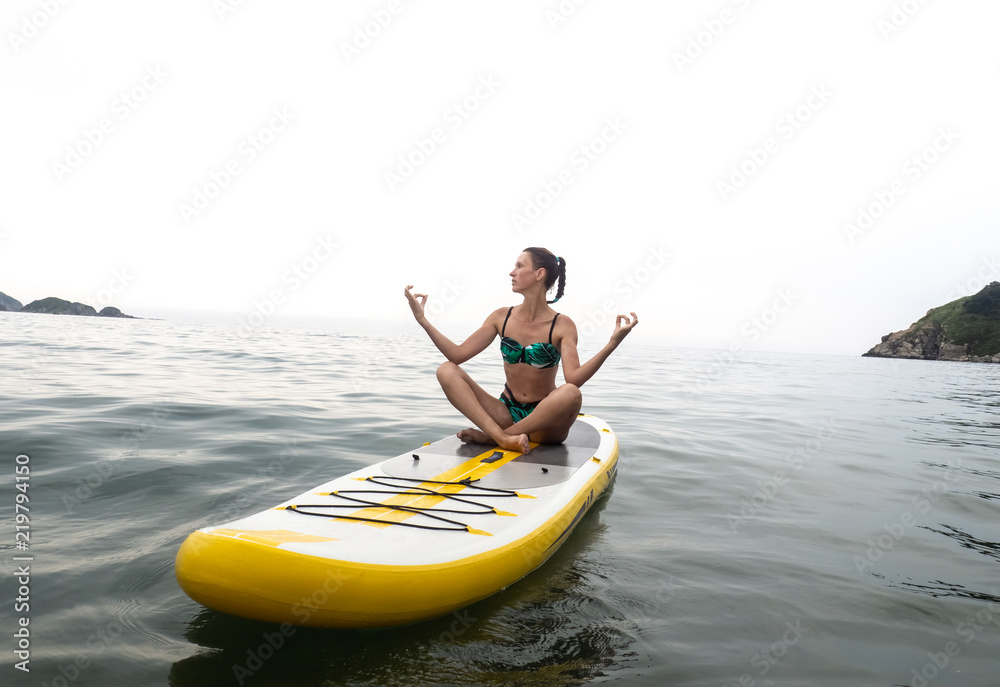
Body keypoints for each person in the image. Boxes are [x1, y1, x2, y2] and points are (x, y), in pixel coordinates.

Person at [404, 247, 637, 454]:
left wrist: (612, 344)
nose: (511, 273)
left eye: (519, 266)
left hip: (544, 423)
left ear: (539, 274)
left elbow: (573, 379)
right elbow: (457, 355)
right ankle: (502, 437)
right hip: (505, 411)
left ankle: (494, 437)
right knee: (446, 370)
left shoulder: (562, 325)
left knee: (571, 393)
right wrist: (423, 320)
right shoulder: (501, 317)